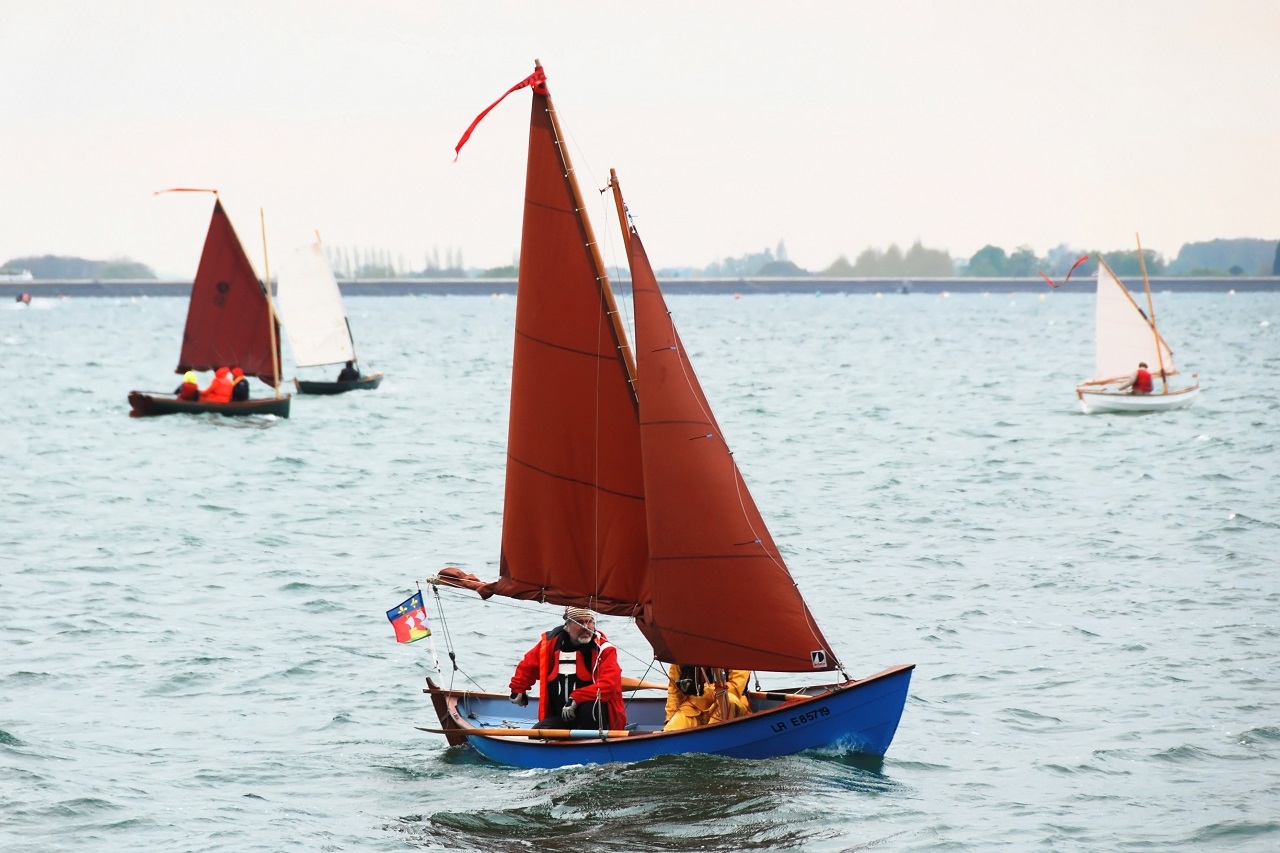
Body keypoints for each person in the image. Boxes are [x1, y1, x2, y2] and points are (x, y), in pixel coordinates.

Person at [508, 606, 627, 730]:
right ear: (567, 625)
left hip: (593, 717)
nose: (586, 627)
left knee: (592, 708)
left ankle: (590, 745)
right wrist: (518, 688)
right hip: (561, 716)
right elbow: (528, 665)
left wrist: (577, 697)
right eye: (579, 622)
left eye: (590, 622)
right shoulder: (549, 644)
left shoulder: (604, 649)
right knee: (537, 734)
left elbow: (609, 684)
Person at [663, 665, 751, 731]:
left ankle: (710, 739)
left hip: (729, 705)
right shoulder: (681, 652)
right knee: (670, 733)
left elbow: (735, 688)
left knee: (728, 698)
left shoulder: (738, 654)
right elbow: (674, 692)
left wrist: (701, 689)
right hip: (694, 708)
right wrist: (669, 719)